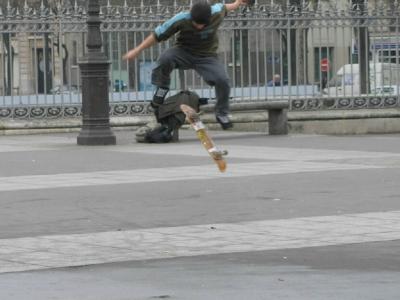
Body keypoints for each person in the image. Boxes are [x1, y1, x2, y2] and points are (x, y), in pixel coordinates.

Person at [123, 0, 249, 130]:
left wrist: (237, 3)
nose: (199, 27)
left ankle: (222, 114)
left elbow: (228, 6)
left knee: (222, 80)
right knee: (165, 59)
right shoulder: (181, 19)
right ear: (191, 17)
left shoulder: (216, 12)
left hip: (207, 56)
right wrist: (137, 50)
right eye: (196, 24)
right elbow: (156, 35)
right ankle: (161, 90)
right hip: (183, 52)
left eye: (203, 25)